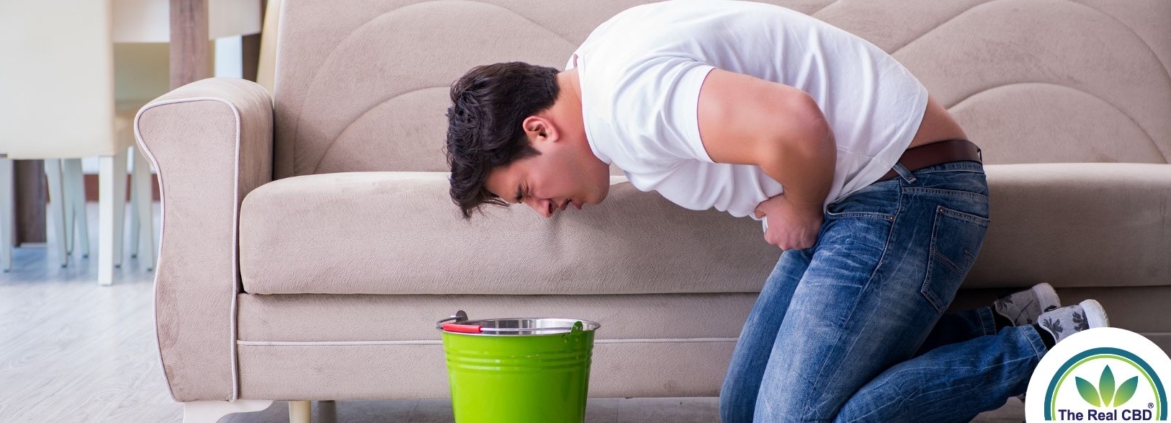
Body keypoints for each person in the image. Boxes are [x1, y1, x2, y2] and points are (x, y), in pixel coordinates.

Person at [443, 1, 1109, 421]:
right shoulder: (595, 68)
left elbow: (794, 122)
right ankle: (1005, 318)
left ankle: (1049, 345)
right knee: (743, 410)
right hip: (869, 195)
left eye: (525, 191)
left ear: (540, 130)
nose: (545, 209)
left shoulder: (624, 102)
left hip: (910, 189)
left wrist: (798, 203)